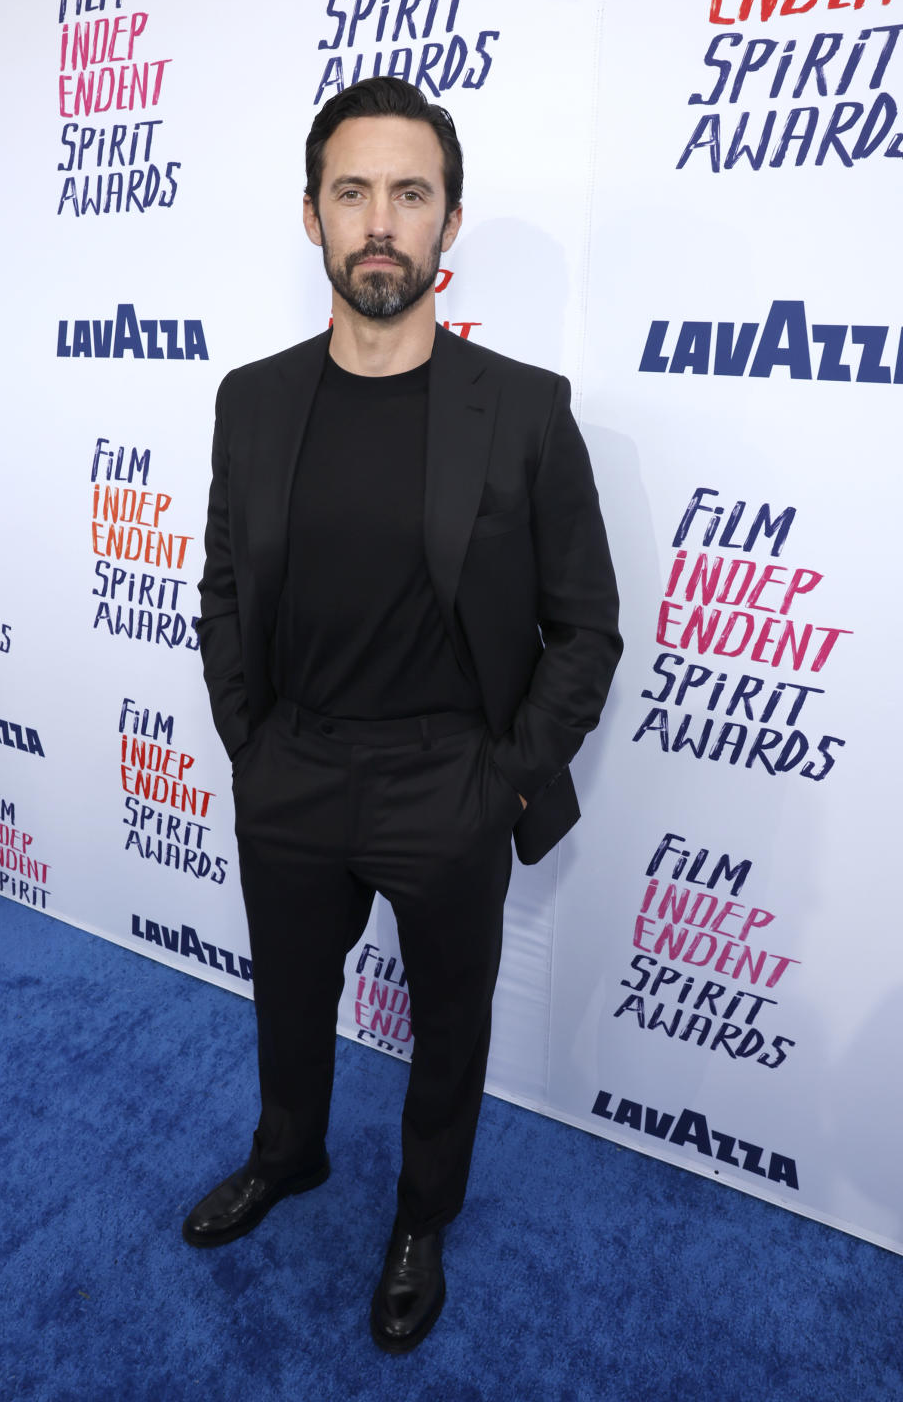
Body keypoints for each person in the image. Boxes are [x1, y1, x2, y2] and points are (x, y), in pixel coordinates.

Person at [186, 76, 622, 1353]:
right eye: (354, 192)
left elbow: (586, 628)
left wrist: (500, 782)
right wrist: (251, 746)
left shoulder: (526, 411)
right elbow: (221, 589)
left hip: (452, 782)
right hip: (294, 768)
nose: (382, 221)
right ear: (311, 216)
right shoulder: (250, 401)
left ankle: (422, 1217)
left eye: (410, 195)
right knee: (286, 998)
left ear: (450, 222)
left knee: (450, 1025)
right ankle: (290, 1154)